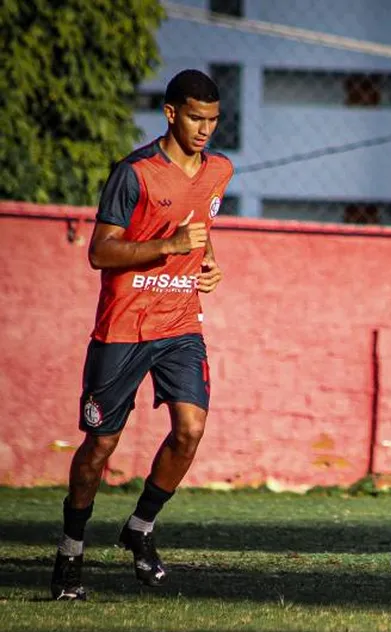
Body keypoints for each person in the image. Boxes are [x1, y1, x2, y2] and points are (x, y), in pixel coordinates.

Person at [50, 70, 234, 600]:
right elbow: (100, 252)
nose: (205, 130)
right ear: (172, 114)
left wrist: (210, 266)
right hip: (124, 327)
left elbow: (201, 232)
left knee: (190, 429)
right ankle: (70, 553)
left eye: (213, 120)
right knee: (100, 445)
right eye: (196, 118)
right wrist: (170, 246)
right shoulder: (135, 173)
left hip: (181, 324)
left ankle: (140, 529)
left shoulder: (220, 170)